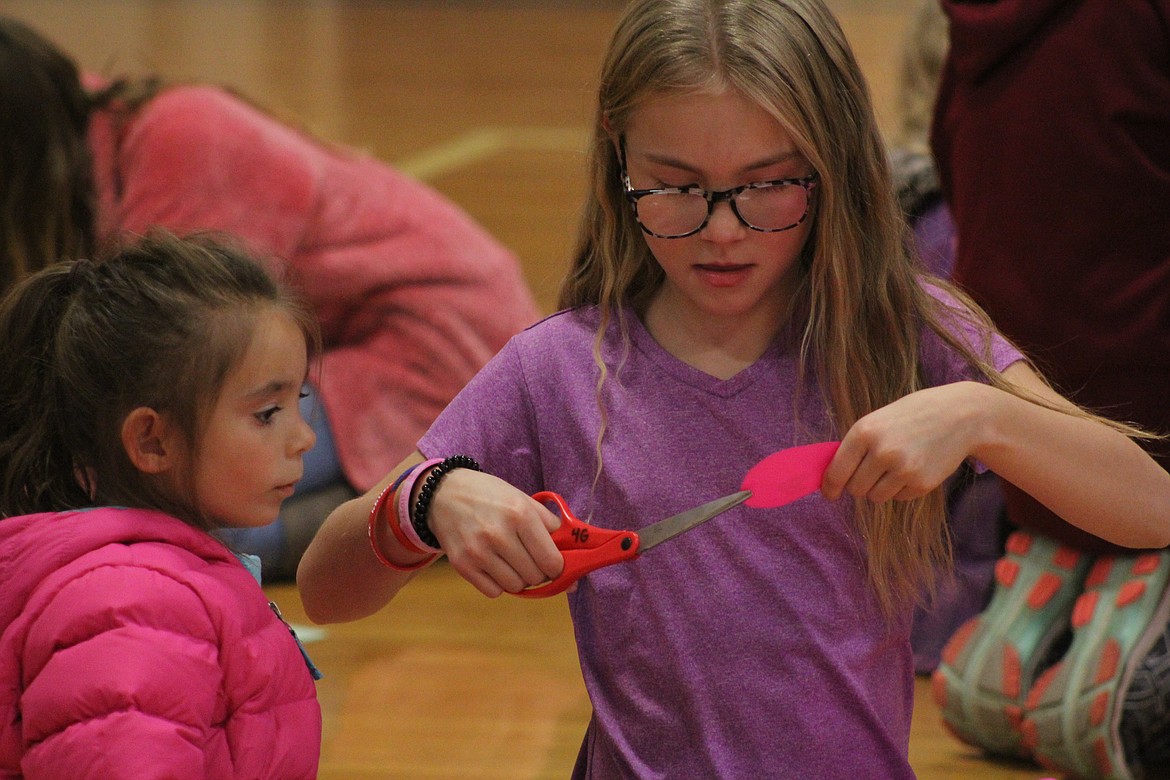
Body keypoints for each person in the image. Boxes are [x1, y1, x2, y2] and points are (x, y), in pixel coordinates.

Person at [296, 0, 1170, 776]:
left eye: (767, 185)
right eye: (676, 187)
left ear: (831, 166)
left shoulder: (907, 327)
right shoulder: (559, 365)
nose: (721, 232)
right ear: (617, 156)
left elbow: (1151, 505)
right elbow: (330, 588)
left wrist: (987, 416)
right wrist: (425, 500)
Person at [0, 15, 541, 581]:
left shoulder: (183, 136)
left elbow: (168, 381)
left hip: (439, 347)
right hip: (308, 359)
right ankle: (410, 513)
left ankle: (418, 514)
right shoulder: (55, 119)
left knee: (146, 524)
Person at [929, 2, 1170, 778]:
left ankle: (1068, 580)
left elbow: (952, 174)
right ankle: (1136, 597)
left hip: (1029, 426)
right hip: (1151, 439)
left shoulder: (973, 22)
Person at [0, 231, 322, 778]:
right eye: (268, 413)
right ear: (153, 441)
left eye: (300, 403)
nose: (303, 439)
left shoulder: (158, 581)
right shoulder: (130, 602)